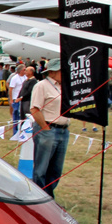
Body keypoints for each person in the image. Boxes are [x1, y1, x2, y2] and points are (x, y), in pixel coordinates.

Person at [30, 57, 69, 194]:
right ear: (52, 72)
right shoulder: (41, 86)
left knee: (56, 169)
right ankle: (40, 196)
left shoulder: (63, 87)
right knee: (42, 168)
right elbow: (35, 109)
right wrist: (45, 128)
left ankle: (49, 195)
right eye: (61, 70)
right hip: (48, 128)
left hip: (63, 130)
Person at [8, 63, 27, 134]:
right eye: (24, 70)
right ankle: (15, 131)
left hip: (23, 99)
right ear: (21, 70)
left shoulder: (25, 77)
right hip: (16, 99)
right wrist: (11, 99)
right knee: (16, 115)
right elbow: (10, 89)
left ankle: (23, 130)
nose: (25, 71)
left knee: (23, 115)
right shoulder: (14, 78)